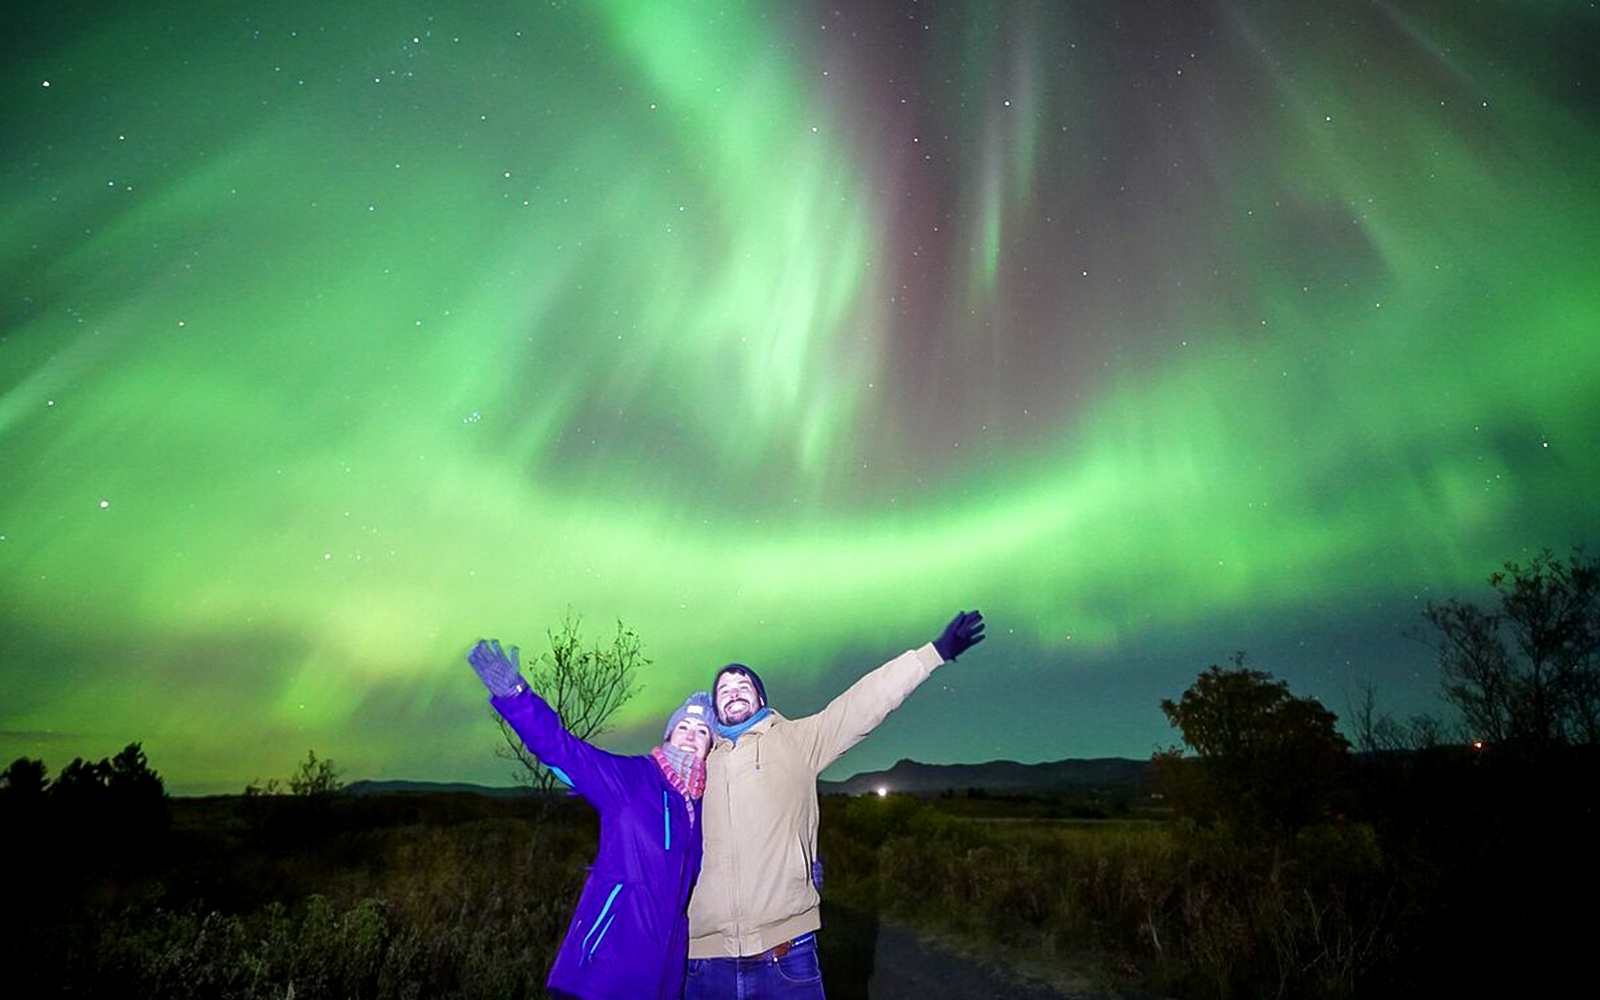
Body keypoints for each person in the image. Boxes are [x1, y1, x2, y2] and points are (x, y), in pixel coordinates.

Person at [684, 609, 987, 999]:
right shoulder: (696, 764)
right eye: (724, 689)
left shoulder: (798, 740)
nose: (734, 691)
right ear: (715, 707)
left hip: (784, 953)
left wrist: (933, 654)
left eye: (744, 684)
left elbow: (861, 704)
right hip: (706, 961)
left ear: (761, 697)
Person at [467, 639, 713, 1000]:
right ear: (669, 735)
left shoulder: (703, 807)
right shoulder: (633, 779)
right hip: (604, 969)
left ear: (710, 746)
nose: (691, 736)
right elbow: (563, 750)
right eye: (684, 727)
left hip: (662, 976)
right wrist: (516, 697)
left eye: (703, 731)